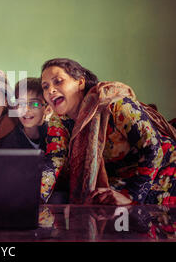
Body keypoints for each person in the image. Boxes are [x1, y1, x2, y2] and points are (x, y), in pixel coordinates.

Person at [40, 58, 176, 205]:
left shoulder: (116, 105)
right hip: (119, 181)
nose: (50, 90)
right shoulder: (59, 120)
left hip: (161, 173)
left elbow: (153, 150)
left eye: (58, 81)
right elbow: (55, 159)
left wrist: (130, 197)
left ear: (80, 82)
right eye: (45, 86)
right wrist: (35, 198)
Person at [0, 77, 51, 150]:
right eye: (21, 104)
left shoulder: (56, 135)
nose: (26, 110)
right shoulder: (9, 142)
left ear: (48, 109)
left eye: (34, 104)